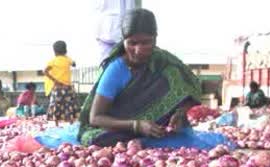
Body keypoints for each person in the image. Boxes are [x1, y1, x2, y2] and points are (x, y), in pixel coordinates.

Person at [78, 8, 201, 146]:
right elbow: (96, 118)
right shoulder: (116, 70)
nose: (138, 50)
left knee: (178, 139)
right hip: (121, 130)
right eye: (132, 43)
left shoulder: (164, 63)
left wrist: (180, 113)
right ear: (123, 41)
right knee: (101, 140)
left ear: (155, 38)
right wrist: (136, 125)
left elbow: (190, 88)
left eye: (146, 42)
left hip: (160, 130)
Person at [45, 41, 79, 124]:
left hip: (57, 87)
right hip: (68, 87)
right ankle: (71, 122)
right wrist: (67, 58)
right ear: (65, 50)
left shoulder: (52, 61)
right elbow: (74, 64)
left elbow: (45, 71)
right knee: (69, 105)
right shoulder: (67, 59)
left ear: (54, 51)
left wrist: (54, 80)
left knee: (56, 105)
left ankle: (56, 124)